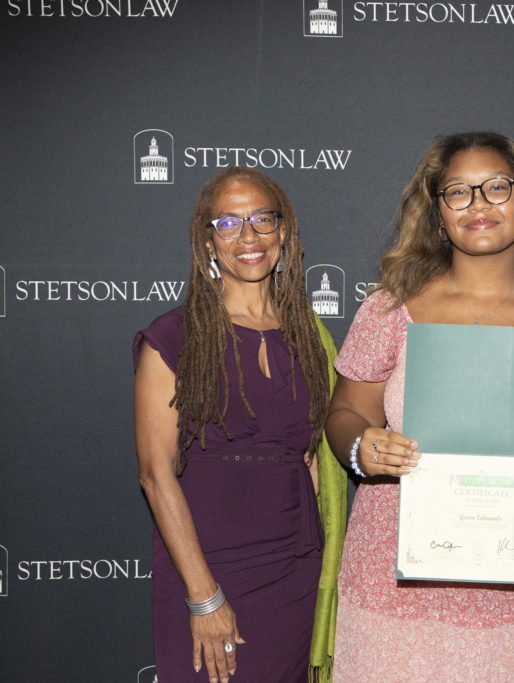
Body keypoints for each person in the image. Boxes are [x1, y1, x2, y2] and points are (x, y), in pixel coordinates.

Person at [325, 131, 514, 681]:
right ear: (438, 213)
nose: (479, 204)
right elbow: (345, 415)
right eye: (458, 192)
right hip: (397, 580)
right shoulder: (388, 310)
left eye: (497, 187)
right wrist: (363, 447)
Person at [133, 166, 346, 683]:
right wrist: (204, 597)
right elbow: (156, 474)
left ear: (284, 232)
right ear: (208, 240)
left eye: (262, 220)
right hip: (207, 568)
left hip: (295, 573)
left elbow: (313, 462)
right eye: (228, 224)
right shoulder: (174, 337)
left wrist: (323, 576)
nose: (248, 237)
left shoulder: (311, 340)